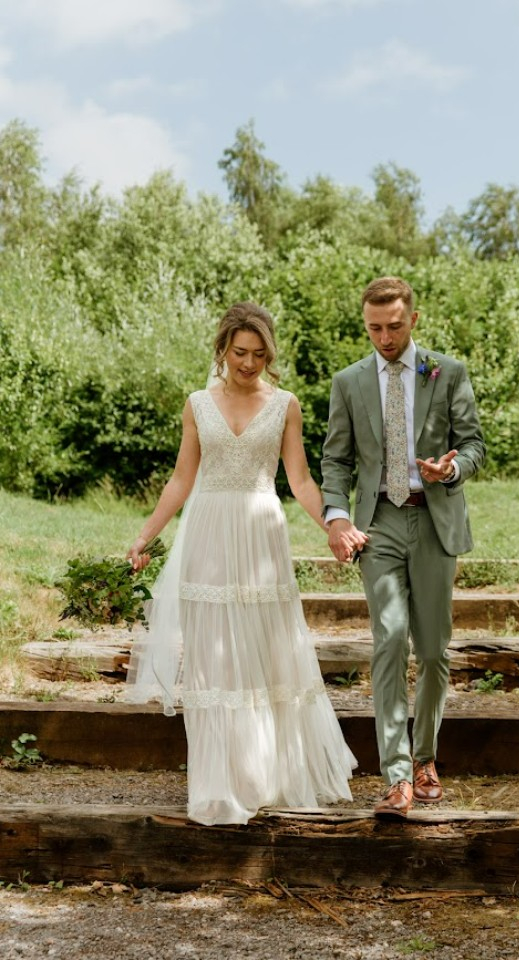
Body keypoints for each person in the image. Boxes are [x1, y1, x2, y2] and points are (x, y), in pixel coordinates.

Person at [126, 302, 355, 825]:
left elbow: (299, 481)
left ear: (269, 354)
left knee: (266, 651)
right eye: (239, 353)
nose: (248, 363)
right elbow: (181, 480)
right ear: (223, 349)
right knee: (213, 657)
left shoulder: (285, 405)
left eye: (258, 354)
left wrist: (335, 527)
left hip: (259, 536)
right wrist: (143, 537)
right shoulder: (197, 404)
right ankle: (219, 782)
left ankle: (266, 774)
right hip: (207, 532)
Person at [321, 277, 486, 819]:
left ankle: (426, 759)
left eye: (394, 326)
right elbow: (336, 459)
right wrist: (337, 515)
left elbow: (476, 443)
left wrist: (452, 467)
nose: (385, 337)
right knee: (389, 640)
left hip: (435, 520)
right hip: (379, 524)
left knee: (435, 650)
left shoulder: (448, 372)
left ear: (413, 319)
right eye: (374, 328)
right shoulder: (348, 382)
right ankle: (395, 775)